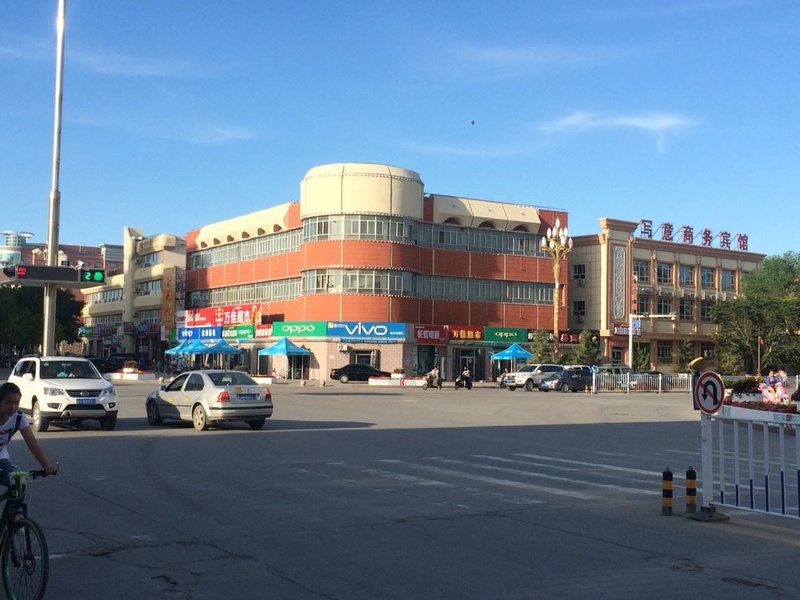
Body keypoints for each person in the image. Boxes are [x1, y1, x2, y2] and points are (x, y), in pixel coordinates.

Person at [0, 382, 57, 492]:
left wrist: (46, 466)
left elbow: (33, 445)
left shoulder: (19, 417)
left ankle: (14, 504)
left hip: (1, 456)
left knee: (19, 481)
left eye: (16, 403)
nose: (12, 407)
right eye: (8, 403)